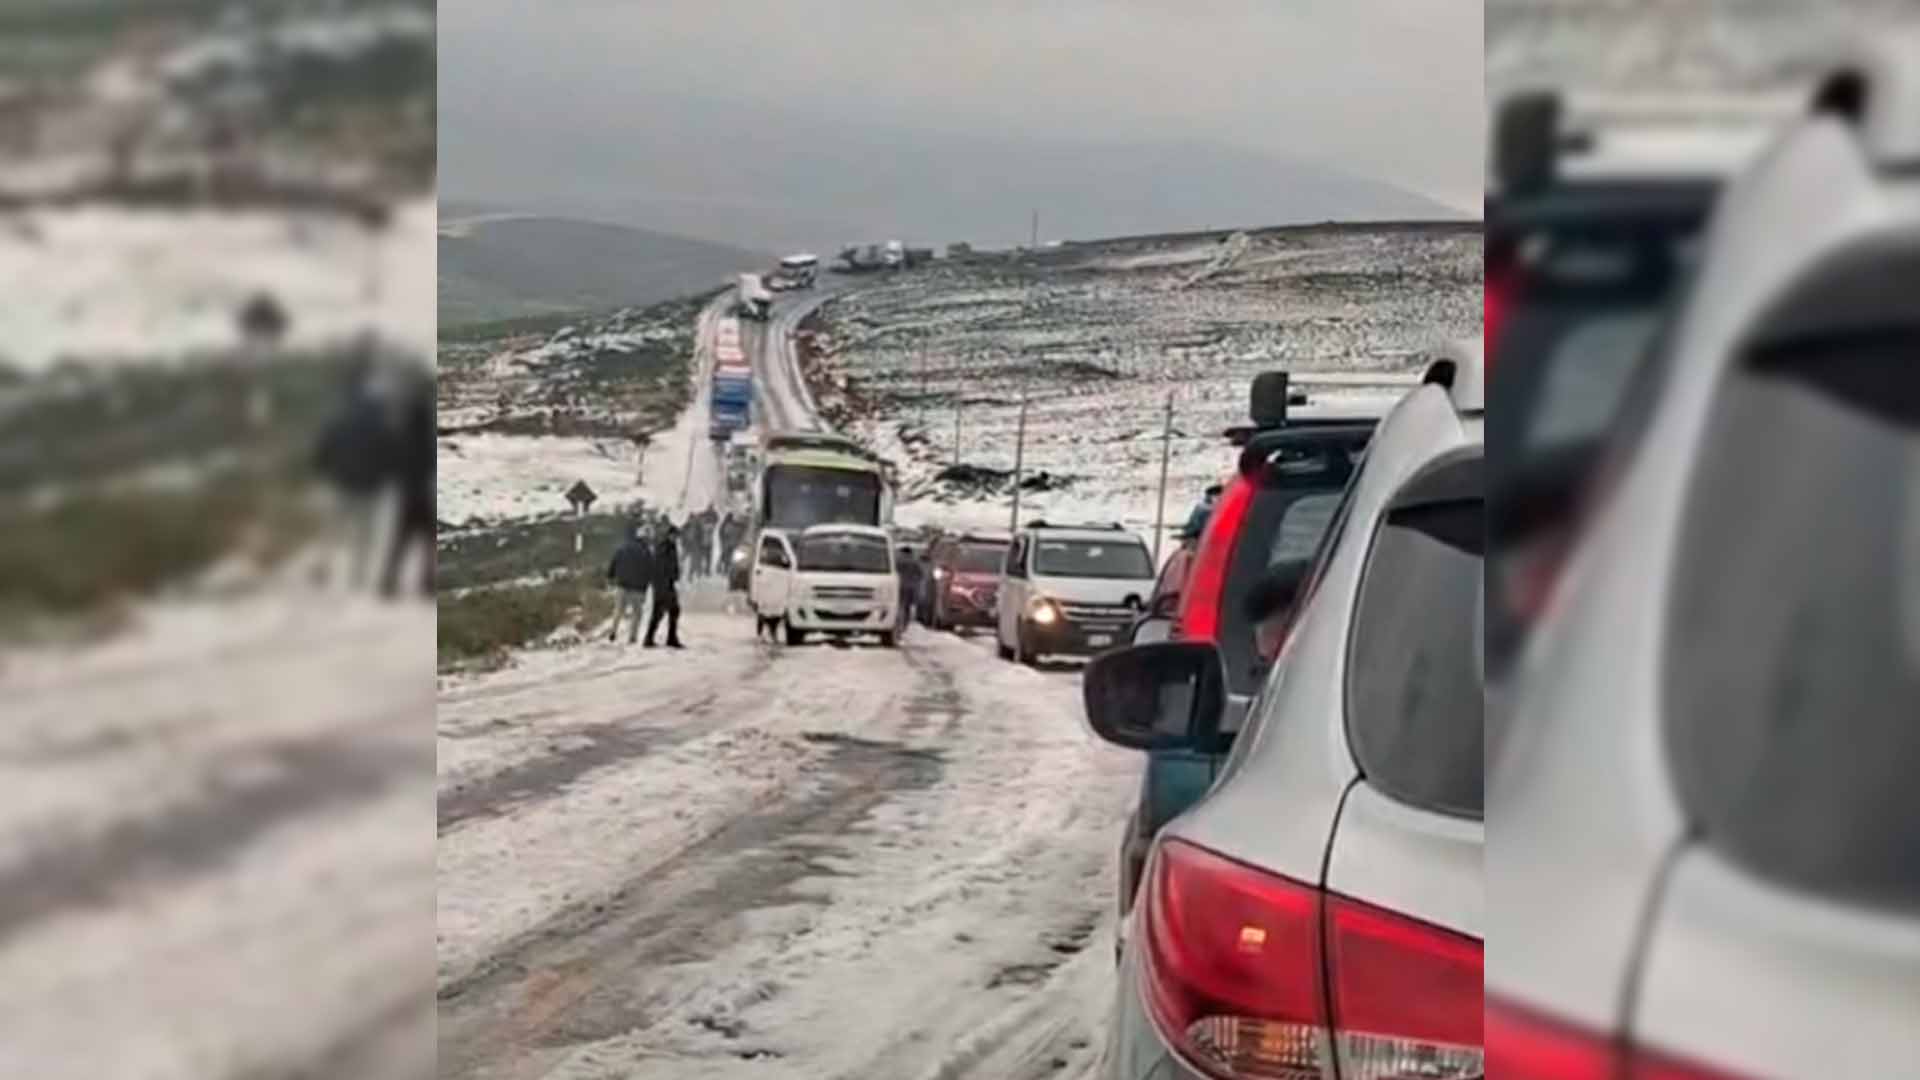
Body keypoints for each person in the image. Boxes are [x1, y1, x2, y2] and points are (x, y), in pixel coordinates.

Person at [312, 354, 395, 591]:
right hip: (368, 487)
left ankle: (324, 567)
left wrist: (323, 471)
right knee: (364, 534)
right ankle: (358, 575)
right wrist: (385, 478)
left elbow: (325, 448)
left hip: (343, 483)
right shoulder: (380, 424)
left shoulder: (340, 419)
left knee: (333, 529)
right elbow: (389, 454)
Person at [378, 360, 436, 599]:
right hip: (422, 493)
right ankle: (426, 581)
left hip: (407, 493)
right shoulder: (425, 441)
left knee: (401, 539)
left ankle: (388, 582)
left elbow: (392, 463)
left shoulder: (403, 438)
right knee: (427, 539)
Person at [605, 525, 654, 644]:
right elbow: (650, 570)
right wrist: (649, 585)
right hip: (637, 587)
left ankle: (613, 631)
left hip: (621, 584)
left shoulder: (623, 547)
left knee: (618, 610)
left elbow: (614, 561)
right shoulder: (647, 552)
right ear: (646, 538)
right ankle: (632, 637)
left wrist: (610, 577)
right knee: (637, 613)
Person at [645, 521, 685, 648]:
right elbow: (661, 566)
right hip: (663, 584)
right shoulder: (664, 547)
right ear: (670, 535)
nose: (676, 538)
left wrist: (675, 575)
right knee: (672, 610)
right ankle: (669, 638)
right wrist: (669, 578)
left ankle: (651, 638)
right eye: (675, 536)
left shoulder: (670, 546)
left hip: (665, 584)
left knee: (660, 612)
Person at [895, 544, 922, 638]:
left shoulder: (897, 560)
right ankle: (903, 626)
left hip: (898, 586)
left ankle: (897, 627)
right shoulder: (914, 562)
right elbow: (920, 574)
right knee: (906, 608)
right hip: (910, 588)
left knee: (898, 606)